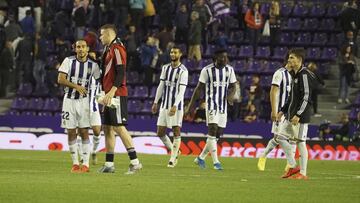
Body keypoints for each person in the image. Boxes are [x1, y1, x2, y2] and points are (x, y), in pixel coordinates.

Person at [98, 24, 142, 174]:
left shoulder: (117, 48)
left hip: (116, 93)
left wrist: (112, 92)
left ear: (109, 34)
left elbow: (121, 70)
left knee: (118, 126)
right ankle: (109, 164)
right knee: (108, 128)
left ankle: (135, 162)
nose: (100, 37)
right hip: (109, 94)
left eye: (102, 34)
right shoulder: (109, 49)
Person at [185, 49, 236, 170]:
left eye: (225, 58)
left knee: (217, 134)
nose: (224, 60)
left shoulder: (230, 70)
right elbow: (198, 89)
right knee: (212, 131)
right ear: (215, 59)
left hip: (223, 107)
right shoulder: (206, 70)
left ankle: (200, 158)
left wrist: (230, 96)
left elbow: (233, 86)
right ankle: (216, 162)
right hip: (212, 105)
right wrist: (190, 106)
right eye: (221, 58)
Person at [57, 39, 101, 173]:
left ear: (87, 49)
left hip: (84, 101)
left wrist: (100, 98)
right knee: (71, 131)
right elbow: (60, 79)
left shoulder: (93, 65)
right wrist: (76, 86)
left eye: (83, 47)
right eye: (78, 47)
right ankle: (75, 163)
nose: (81, 49)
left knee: (84, 131)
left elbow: (99, 82)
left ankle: (86, 164)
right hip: (69, 100)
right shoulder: (68, 61)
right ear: (75, 49)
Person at [277, 48, 314, 180]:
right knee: (280, 137)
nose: (289, 60)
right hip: (290, 115)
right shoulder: (295, 75)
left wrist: (298, 114)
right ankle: (292, 165)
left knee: (300, 142)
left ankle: (303, 173)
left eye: (292, 58)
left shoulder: (304, 75)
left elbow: (306, 97)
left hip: (300, 117)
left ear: (299, 60)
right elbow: (291, 97)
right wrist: (282, 110)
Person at [151, 46, 188, 168]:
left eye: (175, 52)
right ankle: (175, 150)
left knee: (176, 131)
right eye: (171, 52)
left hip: (176, 107)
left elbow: (181, 91)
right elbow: (161, 86)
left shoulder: (183, 71)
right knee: (160, 132)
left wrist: (175, 105)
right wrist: (156, 102)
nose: (172, 54)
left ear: (180, 54)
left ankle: (172, 159)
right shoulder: (165, 68)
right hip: (164, 105)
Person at [257, 61, 295, 171]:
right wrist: (274, 110)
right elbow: (273, 91)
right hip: (280, 111)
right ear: (289, 59)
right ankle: (263, 156)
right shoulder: (280, 73)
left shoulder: (297, 75)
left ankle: (290, 165)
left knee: (293, 138)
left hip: (292, 112)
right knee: (277, 138)